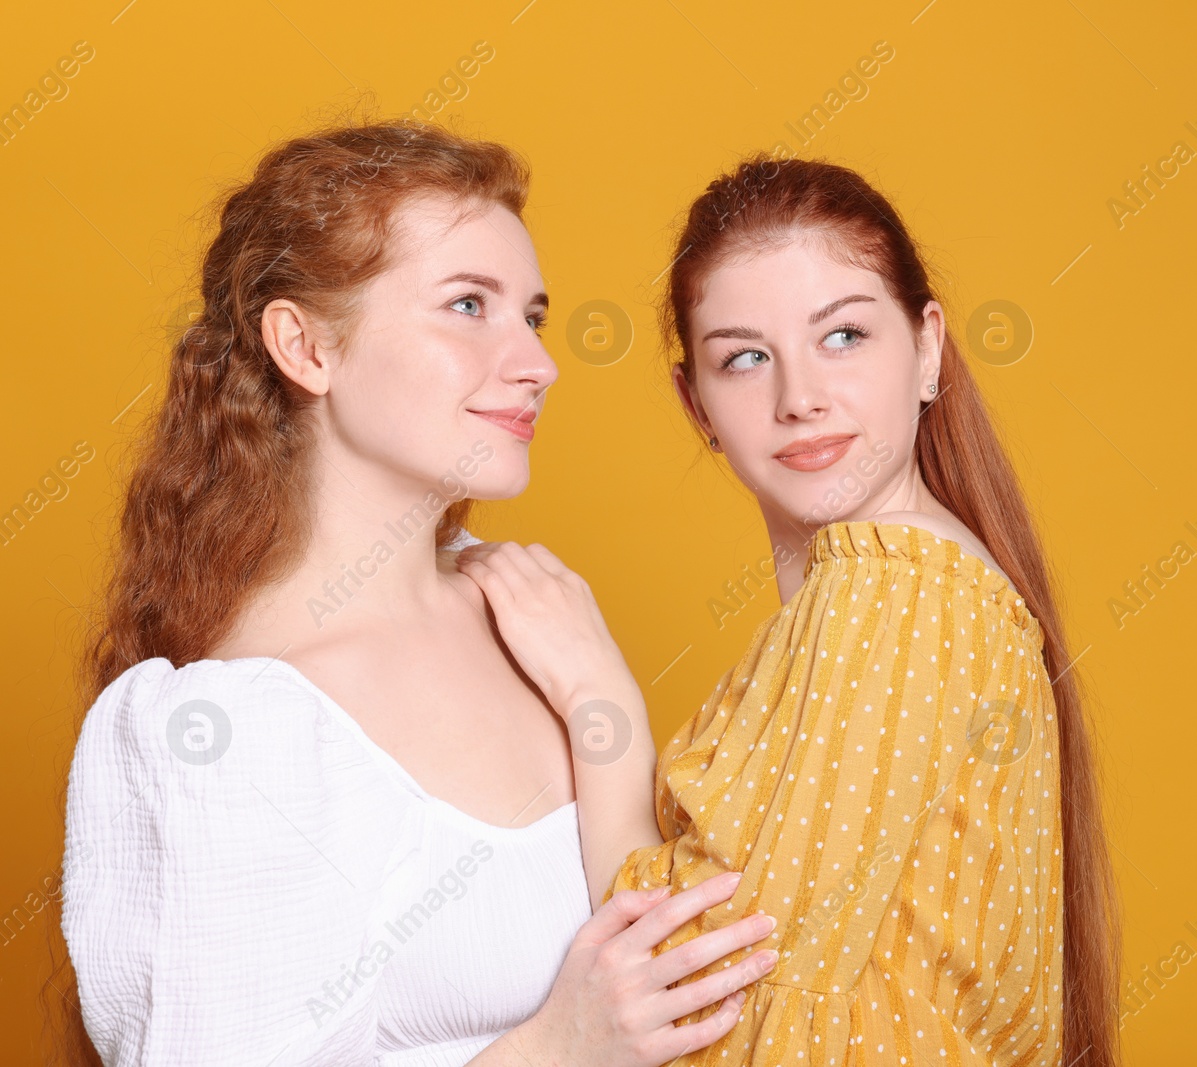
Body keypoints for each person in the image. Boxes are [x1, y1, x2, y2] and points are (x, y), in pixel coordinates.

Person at [54, 118, 777, 1067]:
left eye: (531, 315)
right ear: (305, 347)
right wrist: (557, 1047)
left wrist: (608, 710)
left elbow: (667, 955)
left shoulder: (535, 612)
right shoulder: (232, 733)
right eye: (468, 305)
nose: (536, 363)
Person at [456, 157, 1122, 1066]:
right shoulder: (921, 587)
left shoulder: (895, 593)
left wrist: (597, 699)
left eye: (843, 336)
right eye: (746, 357)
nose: (800, 396)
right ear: (699, 405)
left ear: (927, 349)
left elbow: (693, 984)